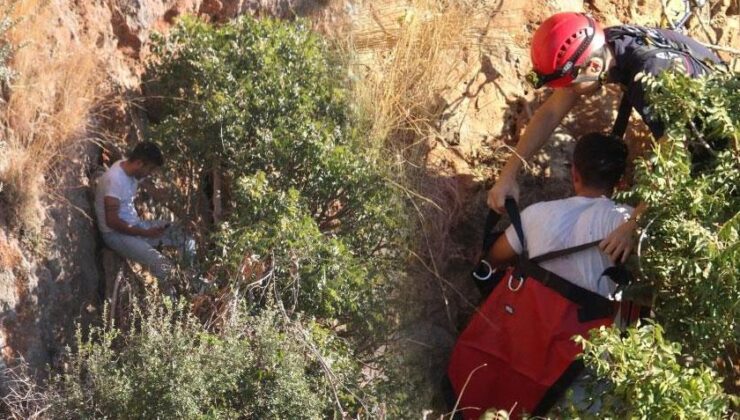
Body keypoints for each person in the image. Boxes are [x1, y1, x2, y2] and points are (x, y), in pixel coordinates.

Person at [488, 12, 722, 264]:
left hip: (719, 142)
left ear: (595, 67)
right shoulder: (606, 42)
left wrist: (632, 226)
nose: (568, 92)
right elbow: (551, 112)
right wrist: (508, 175)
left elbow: (674, 159)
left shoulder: (651, 76)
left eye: (570, 84)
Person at [487, 132, 632, 298]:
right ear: (621, 183)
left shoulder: (535, 213)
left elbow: (493, 258)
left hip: (532, 315)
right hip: (594, 322)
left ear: (574, 173)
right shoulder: (629, 221)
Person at [94, 142, 195, 295]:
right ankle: (173, 307)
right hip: (115, 235)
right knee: (162, 265)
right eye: (150, 169)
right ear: (139, 163)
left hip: (135, 226)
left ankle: (193, 284)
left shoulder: (130, 170)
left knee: (184, 235)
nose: (151, 173)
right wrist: (145, 233)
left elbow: (154, 189)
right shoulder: (114, 180)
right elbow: (112, 221)